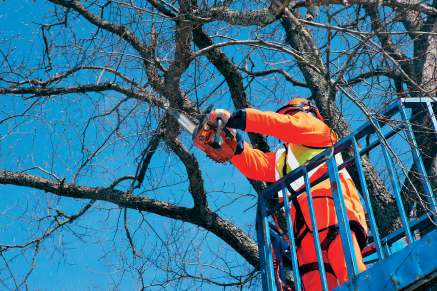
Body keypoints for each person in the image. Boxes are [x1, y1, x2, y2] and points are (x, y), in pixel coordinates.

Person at [209, 98, 368, 290]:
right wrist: (235, 146)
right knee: (317, 283)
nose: (292, 118)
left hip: (335, 216)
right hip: (305, 235)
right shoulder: (283, 159)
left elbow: (286, 126)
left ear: (308, 113)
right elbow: (256, 164)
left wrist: (240, 118)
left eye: (292, 114)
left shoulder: (321, 132)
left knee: (354, 277)